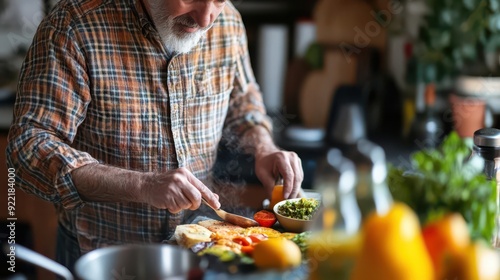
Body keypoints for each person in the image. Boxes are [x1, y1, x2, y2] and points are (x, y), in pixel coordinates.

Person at [6, 0, 303, 269]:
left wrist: (263, 147)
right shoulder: (75, 25)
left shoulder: (228, 23)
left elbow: (243, 102)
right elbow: (29, 146)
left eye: (218, 1)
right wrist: (143, 185)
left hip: (200, 254)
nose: (205, 18)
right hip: (104, 256)